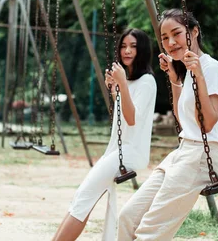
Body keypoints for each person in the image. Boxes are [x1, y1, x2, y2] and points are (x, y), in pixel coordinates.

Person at [118, 8, 218, 240]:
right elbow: (184, 121)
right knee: (127, 217)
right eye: (164, 38)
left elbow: (207, 124)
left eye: (177, 34)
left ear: (194, 31)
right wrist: (174, 79)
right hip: (183, 152)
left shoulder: (210, 69)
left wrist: (198, 75)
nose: (171, 42)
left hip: (204, 155)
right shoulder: (189, 70)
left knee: (150, 231)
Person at [52, 28, 157, 241]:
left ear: (143, 50)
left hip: (130, 152)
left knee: (83, 199)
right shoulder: (128, 81)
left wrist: (122, 86)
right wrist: (115, 90)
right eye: (123, 46)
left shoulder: (147, 81)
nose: (127, 50)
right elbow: (121, 118)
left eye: (133, 46)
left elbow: (131, 119)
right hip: (118, 150)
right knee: (83, 198)